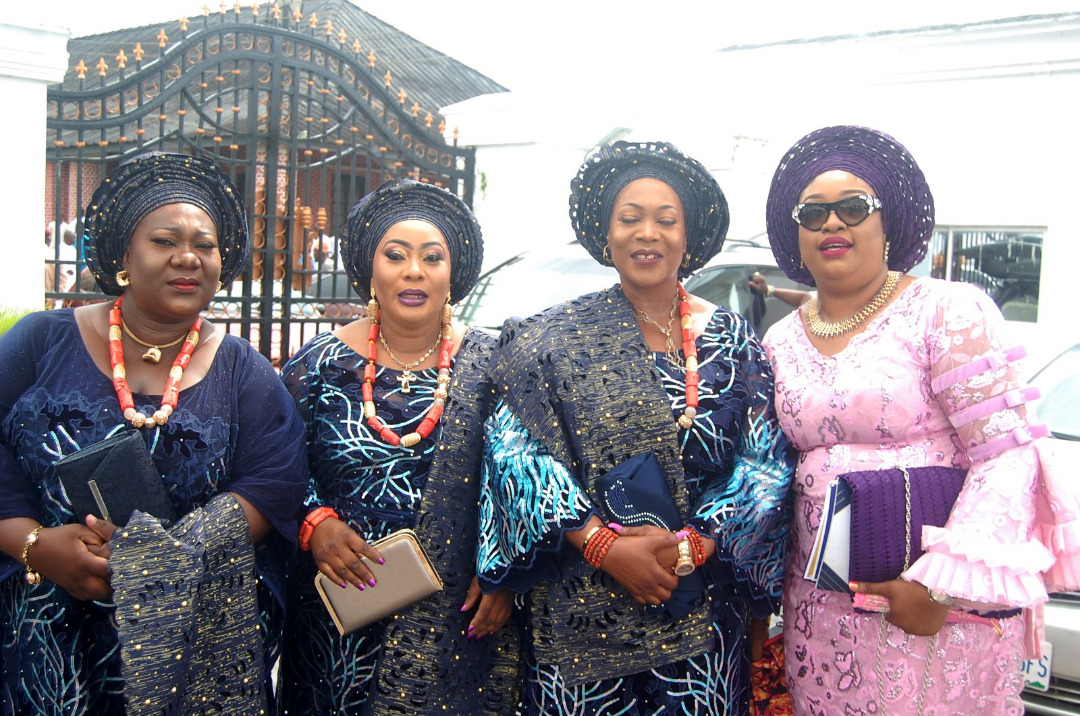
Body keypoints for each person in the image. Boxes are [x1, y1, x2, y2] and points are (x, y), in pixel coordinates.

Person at [760, 125, 1080, 714]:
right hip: (818, 607)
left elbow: (1007, 453)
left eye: (853, 207)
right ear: (796, 234)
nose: (832, 223)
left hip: (928, 609)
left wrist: (938, 588)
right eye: (813, 213)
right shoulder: (780, 339)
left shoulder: (946, 310)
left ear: (888, 223)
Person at [478, 140, 795, 713]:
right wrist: (601, 544)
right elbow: (515, 452)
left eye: (666, 220)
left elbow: (764, 463)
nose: (647, 233)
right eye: (630, 218)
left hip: (700, 606)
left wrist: (695, 545)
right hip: (581, 609)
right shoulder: (551, 338)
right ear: (607, 234)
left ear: (687, 237)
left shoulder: (732, 340)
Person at [0, 152, 308, 714]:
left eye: (204, 246)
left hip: (189, 643)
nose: (187, 257)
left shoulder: (244, 371)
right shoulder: (40, 343)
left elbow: (274, 483)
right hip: (47, 629)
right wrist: (35, 545)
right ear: (124, 256)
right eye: (164, 241)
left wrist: (158, 561)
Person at [276, 179, 522, 715]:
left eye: (432, 257)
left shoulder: (494, 364)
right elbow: (275, 466)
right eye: (395, 255)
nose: (414, 271)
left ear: (453, 273)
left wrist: (507, 572)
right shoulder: (319, 363)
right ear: (370, 269)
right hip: (338, 610)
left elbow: (522, 478)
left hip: (461, 612)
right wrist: (315, 523)